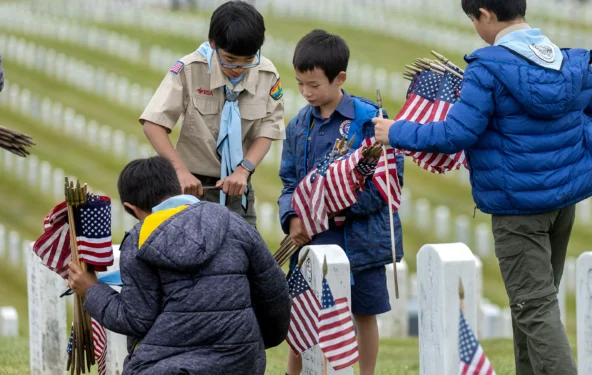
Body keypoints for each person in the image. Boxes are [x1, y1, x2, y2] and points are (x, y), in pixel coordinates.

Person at [373, 0, 592, 373]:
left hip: (516, 209)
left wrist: (395, 131)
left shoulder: (487, 68)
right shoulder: (569, 62)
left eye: (473, 19)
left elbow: (457, 132)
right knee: (533, 304)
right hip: (562, 203)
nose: (475, 28)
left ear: (486, 14)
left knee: (534, 307)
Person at [67, 156, 291, 374]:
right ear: (179, 189)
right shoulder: (235, 223)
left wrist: (92, 290)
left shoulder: (139, 240)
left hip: (166, 366)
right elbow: (275, 294)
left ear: (131, 207)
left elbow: (135, 319)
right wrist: (257, 345)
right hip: (242, 363)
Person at [277, 29, 404, 375]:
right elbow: (289, 180)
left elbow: (388, 182)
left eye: (314, 85)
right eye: (301, 83)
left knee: (364, 312)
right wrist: (291, 217)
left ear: (340, 78)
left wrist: (340, 204)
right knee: (302, 310)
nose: (306, 92)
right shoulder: (298, 125)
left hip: (359, 238)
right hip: (312, 237)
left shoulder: (369, 120)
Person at [139, 1, 285, 228]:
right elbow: (153, 123)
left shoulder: (266, 74)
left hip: (238, 184)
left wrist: (244, 170)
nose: (239, 68)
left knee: (244, 254)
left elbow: (269, 127)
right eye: (230, 59)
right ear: (213, 44)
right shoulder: (189, 68)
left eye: (248, 60)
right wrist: (180, 171)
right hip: (192, 185)